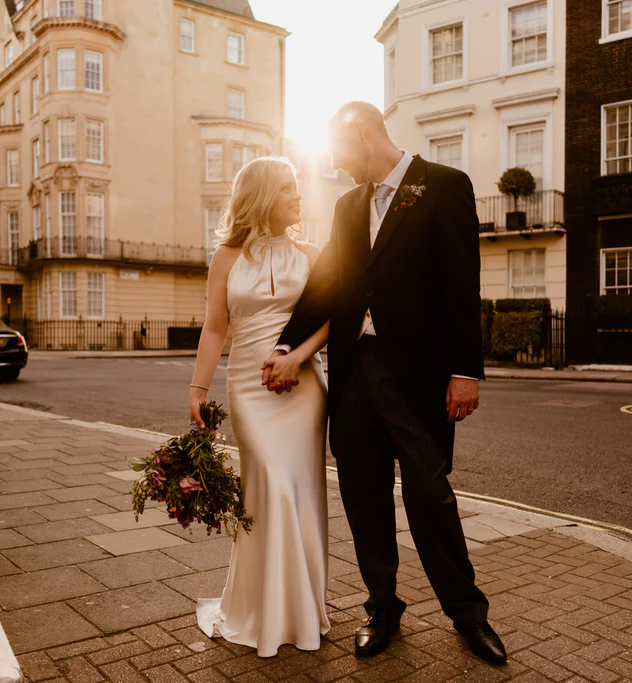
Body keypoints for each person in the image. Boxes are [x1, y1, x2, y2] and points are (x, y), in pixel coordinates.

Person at [262, 101, 507, 666]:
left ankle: (469, 615)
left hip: (416, 376)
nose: (336, 165)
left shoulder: (445, 186)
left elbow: (460, 284)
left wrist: (465, 371)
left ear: (363, 132)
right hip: (354, 374)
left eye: (339, 153)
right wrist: (285, 346)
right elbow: (327, 282)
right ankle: (382, 607)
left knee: (429, 494)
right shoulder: (348, 206)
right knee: (363, 494)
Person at [189, 157, 331, 657]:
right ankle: (260, 611)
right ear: (263, 196)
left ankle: (301, 611)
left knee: (300, 493)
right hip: (248, 391)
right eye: (288, 189)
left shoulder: (313, 255)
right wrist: (198, 389)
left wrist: (298, 356)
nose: (298, 196)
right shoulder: (225, 257)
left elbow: (329, 320)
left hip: (304, 391)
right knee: (268, 487)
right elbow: (215, 326)